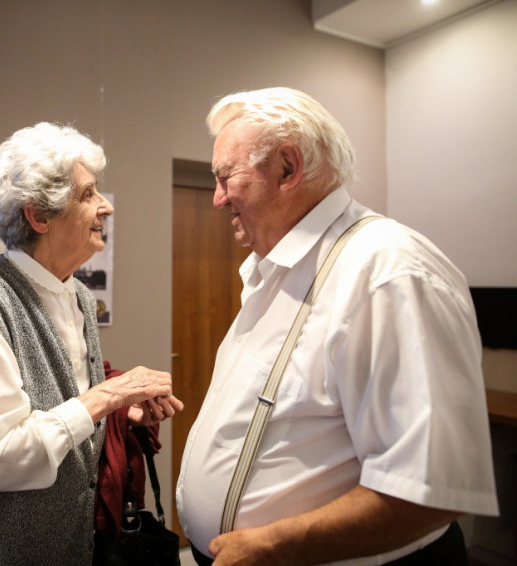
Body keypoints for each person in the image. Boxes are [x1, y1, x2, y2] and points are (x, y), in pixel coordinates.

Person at [176, 87, 499, 565]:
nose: (218, 199)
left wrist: (274, 545)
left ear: (288, 168)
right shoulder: (274, 272)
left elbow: (430, 488)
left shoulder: (387, 271)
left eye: (225, 178)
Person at [0, 122, 183, 566]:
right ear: (39, 217)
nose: (106, 207)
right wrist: (109, 395)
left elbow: (66, 407)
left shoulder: (78, 294)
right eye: (88, 194)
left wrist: (119, 414)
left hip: (69, 545)